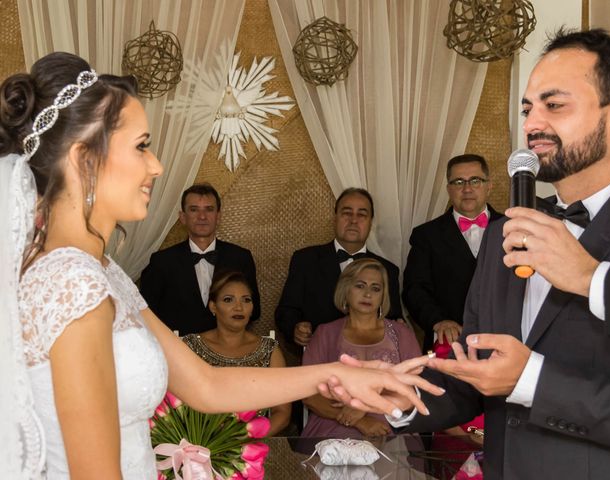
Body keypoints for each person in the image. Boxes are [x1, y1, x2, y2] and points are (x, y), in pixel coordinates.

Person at [0, 51, 442, 479]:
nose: (155, 166)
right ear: (84, 158)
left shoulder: (102, 272)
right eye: (141, 146)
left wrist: (338, 373)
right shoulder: (72, 283)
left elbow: (206, 385)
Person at [358, 28, 610, 480]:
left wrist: (589, 280)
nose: (531, 124)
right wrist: (404, 399)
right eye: (528, 108)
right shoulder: (502, 234)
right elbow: (477, 372)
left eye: (555, 104)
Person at [301, 258, 422, 439]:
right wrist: (359, 421)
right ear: (345, 289)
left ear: (383, 296)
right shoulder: (325, 333)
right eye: (360, 286)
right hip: (333, 423)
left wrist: (366, 407)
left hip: (391, 423)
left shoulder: (402, 334)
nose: (368, 294)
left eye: (376, 288)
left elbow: (415, 390)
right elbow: (308, 394)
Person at [276, 187, 403, 349]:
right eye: (347, 213)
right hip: (318, 358)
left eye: (362, 214)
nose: (353, 220)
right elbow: (286, 311)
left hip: (369, 361)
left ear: (371, 222)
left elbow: (392, 319)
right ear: (335, 217)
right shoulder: (305, 260)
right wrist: (295, 328)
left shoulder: (388, 270)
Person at [403, 153, 502, 352]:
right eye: (458, 182)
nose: (467, 189)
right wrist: (438, 321)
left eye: (475, 180)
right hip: (449, 347)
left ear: (488, 185)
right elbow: (414, 289)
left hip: (504, 342)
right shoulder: (426, 235)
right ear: (448, 189)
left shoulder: (513, 228)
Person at [140, 182, 260, 335]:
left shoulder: (240, 257)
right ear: (182, 217)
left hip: (229, 351)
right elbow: (147, 314)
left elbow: (254, 310)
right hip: (179, 352)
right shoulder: (162, 262)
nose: (202, 216)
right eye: (194, 209)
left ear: (218, 216)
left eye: (209, 209)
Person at [183, 270, 290, 436]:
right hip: (200, 446)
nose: (239, 307)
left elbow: (282, 413)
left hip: (252, 449)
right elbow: (175, 407)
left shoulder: (269, 350)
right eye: (228, 300)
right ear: (213, 306)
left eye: (246, 300)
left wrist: (248, 440)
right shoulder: (190, 347)